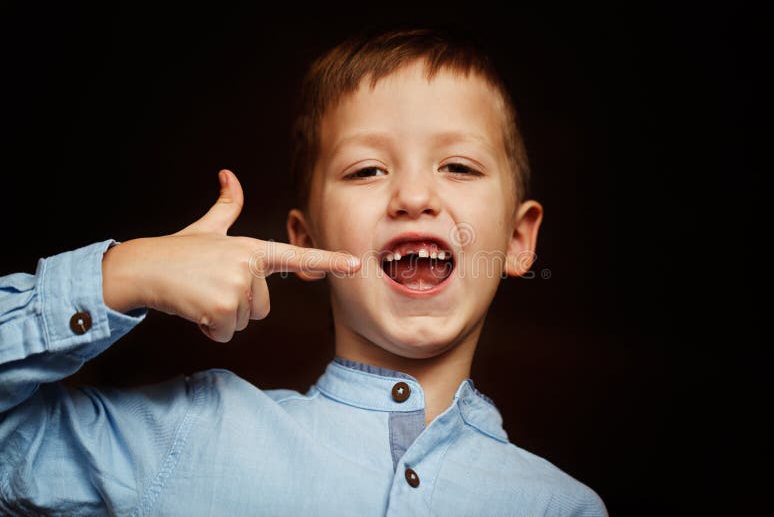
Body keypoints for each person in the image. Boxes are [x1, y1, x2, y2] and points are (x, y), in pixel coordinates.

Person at [0, 28, 607, 515]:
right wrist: (123, 274)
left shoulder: (564, 507)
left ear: (519, 239)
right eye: (367, 170)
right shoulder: (187, 435)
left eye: (460, 167)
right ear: (305, 238)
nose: (414, 195)